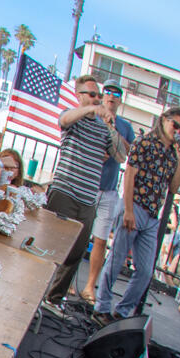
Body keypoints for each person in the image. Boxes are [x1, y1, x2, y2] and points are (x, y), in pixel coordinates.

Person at [93, 106, 180, 322]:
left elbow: (173, 187)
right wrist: (128, 210)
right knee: (116, 261)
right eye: (175, 125)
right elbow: (130, 176)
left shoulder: (173, 153)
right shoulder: (144, 142)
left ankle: (122, 311)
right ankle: (102, 306)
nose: (178, 131)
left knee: (145, 271)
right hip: (135, 207)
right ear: (164, 120)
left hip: (152, 216)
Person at [43, 75, 125, 309]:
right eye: (92, 94)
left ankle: (54, 298)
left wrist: (112, 127)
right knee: (52, 246)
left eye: (99, 95)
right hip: (65, 191)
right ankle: (36, 293)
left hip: (88, 199)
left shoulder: (103, 127)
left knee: (76, 253)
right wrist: (91, 110)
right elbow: (65, 119)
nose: (98, 99)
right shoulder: (73, 116)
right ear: (79, 96)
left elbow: (120, 155)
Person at [79, 82, 136, 306]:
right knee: (79, 236)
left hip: (109, 189)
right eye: (109, 92)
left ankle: (89, 286)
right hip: (87, 184)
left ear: (121, 100)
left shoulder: (125, 126)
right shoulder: (91, 116)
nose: (112, 96)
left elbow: (128, 153)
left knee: (101, 240)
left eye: (117, 94)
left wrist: (112, 129)